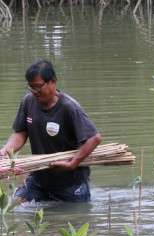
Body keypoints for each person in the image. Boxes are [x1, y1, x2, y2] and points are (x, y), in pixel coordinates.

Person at [0, 60, 102, 202]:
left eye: (38, 86)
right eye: (30, 86)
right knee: (13, 206)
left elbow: (94, 138)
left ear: (52, 81)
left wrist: (73, 163)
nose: (34, 91)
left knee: (70, 221)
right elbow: (20, 133)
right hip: (38, 179)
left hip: (70, 184)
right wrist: (5, 150)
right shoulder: (28, 101)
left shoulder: (70, 107)